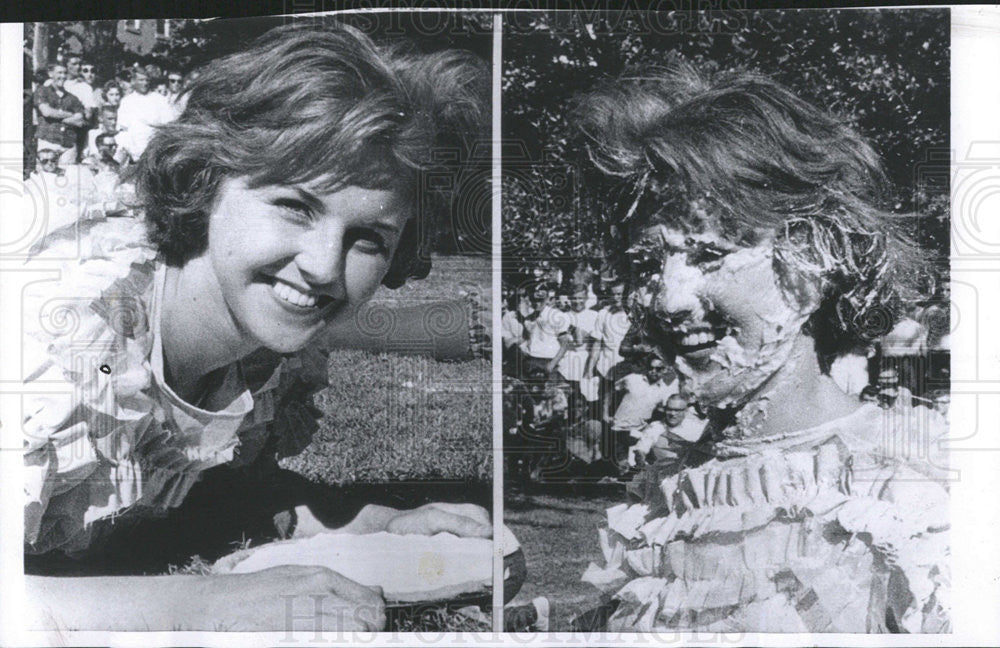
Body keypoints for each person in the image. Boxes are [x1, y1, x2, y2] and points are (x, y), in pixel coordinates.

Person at [23, 23, 488, 632]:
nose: (324, 266)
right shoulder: (60, 346)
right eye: (295, 206)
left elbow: (206, 489)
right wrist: (204, 605)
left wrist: (371, 521)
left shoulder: (270, 356)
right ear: (204, 179)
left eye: (368, 238)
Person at [578, 63, 948, 632]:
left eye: (710, 254)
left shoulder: (910, 486)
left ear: (815, 254)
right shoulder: (666, 491)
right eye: (645, 265)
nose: (667, 301)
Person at [115, 67, 176, 162]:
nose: (145, 83)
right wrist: (134, 152)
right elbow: (123, 130)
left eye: (147, 80)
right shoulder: (126, 102)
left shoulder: (160, 100)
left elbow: (168, 126)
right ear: (133, 81)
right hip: (133, 152)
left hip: (155, 150)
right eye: (141, 80)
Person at [33, 63, 86, 166]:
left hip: (68, 145)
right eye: (59, 72)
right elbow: (47, 112)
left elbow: (80, 120)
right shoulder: (42, 91)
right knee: (45, 176)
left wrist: (57, 116)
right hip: (48, 142)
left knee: (68, 176)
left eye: (65, 73)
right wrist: (70, 115)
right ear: (51, 74)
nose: (62, 76)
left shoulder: (72, 98)